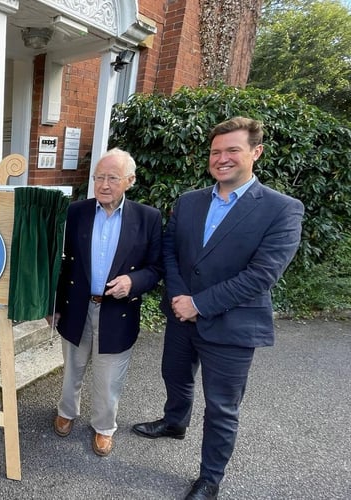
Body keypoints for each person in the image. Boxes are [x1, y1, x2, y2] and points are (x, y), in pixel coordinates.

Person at [132, 117, 304, 500]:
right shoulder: (190, 201)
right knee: (174, 376)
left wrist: (199, 304)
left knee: (222, 408)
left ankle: (210, 478)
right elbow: (171, 251)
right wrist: (180, 299)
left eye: (232, 150)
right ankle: (175, 422)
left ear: (255, 153)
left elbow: (262, 275)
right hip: (181, 316)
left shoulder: (282, 209)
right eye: (215, 151)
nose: (221, 158)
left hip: (233, 326)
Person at [49, 148, 162, 457]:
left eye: (112, 177)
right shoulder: (76, 212)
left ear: (130, 180)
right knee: (73, 365)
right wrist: (54, 304)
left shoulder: (148, 218)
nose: (104, 184)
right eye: (99, 177)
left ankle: (103, 427)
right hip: (77, 305)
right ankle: (67, 411)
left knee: (109, 375)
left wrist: (133, 282)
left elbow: (157, 268)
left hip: (118, 311)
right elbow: (62, 263)